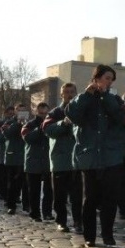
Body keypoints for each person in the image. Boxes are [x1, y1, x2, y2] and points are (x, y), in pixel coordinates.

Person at [66, 64, 125, 247]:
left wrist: (106, 97)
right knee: (90, 198)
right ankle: (89, 236)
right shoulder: (83, 98)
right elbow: (72, 114)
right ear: (96, 79)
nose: (109, 82)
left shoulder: (114, 99)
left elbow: (120, 118)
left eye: (111, 79)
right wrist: (86, 95)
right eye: (106, 78)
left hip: (110, 157)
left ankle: (108, 234)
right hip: (89, 156)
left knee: (110, 198)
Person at [43, 83, 83, 233]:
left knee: (78, 195)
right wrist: (63, 123)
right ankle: (61, 221)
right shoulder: (55, 113)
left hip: (78, 160)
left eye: (72, 92)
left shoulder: (81, 111)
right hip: (60, 160)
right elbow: (48, 130)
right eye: (66, 92)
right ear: (62, 95)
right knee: (59, 195)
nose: (69, 94)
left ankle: (78, 221)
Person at [22, 102, 52, 222]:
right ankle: (35, 212)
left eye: (45, 112)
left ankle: (47, 212)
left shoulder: (51, 123)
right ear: (37, 112)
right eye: (41, 112)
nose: (43, 115)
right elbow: (27, 138)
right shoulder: (29, 124)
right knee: (34, 189)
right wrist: (40, 128)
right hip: (33, 160)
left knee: (49, 190)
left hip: (48, 160)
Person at [2, 103, 30, 215]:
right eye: (19, 110)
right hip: (12, 157)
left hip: (25, 156)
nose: (21, 112)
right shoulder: (9, 123)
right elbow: (7, 134)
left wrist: (25, 124)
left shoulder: (29, 122)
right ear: (15, 111)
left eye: (23, 110)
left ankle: (27, 205)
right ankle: (11, 205)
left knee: (26, 183)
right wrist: (18, 124)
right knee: (13, 183)